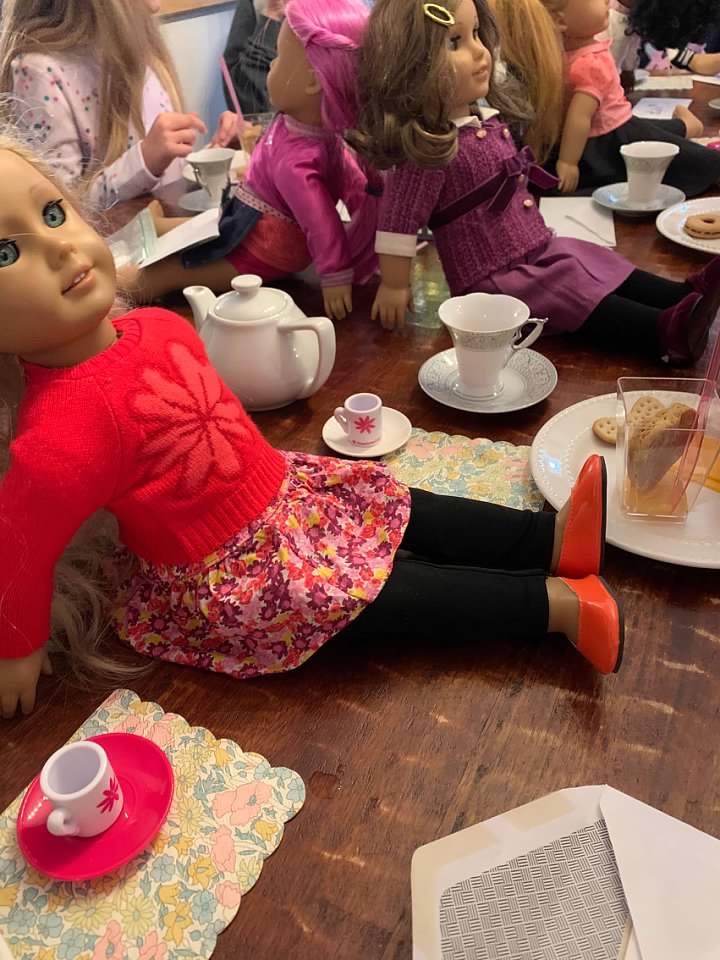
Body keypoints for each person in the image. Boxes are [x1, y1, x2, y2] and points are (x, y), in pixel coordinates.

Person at [0, 132, 624, 718]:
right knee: (383, 596)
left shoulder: (158, 325)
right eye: (6, 253)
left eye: (53, 213)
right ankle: (559, 608)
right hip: (233, 574)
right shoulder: (56, 436)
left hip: (284, 491)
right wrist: (18, 648)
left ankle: (550, 540)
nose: (59, 246)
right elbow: (18, 549)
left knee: (402, 503)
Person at [347, 0, 719, 365]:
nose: (479, 51)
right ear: (411, 64)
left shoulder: (483, 121)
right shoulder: (428, 151)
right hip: (492, 281)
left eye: (476, 34)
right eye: (455, 42)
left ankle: (678, 295)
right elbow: (397, 222)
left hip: (535, 249)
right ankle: (660, 331)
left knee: (590, 257)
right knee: (565, 289)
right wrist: (394, 284)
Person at [126, 0, 379, 322]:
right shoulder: (306, 132)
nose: (270, 66)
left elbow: (321, 220)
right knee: (212, 226)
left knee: (171, 271)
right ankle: (162, 228)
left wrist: (336, 272)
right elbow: (355, 188)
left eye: (279, 58)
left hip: (266, 248)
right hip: (249, 219)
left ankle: (122, 284)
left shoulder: (298, 158)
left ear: (312, 81)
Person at [489, 0, 720, 197]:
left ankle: (688, 126)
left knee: (666, 143)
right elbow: (576, 117)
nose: (608, 2)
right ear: (560, 20)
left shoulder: (580, 60)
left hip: (610, 130)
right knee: (673, 146)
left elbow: (580, 116)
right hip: (603, 136)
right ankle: (687, 126)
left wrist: (568, 161)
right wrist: (567, 161)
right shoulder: (576, 60)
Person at [0, 0, 206, 208]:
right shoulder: (40, 71)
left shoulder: (140, 45)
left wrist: (212, 163)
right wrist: (143, 162)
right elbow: (61, 210)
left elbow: (170, 184)